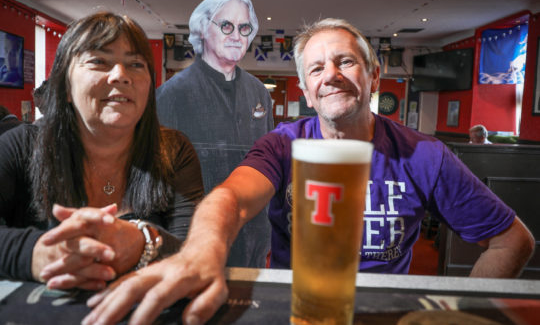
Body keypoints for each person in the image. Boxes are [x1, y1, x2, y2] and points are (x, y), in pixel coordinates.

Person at [83, 18, 535, 325]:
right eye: (316, 68)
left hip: (381, 311)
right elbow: (231, 200)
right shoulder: (282, 144)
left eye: (345, 61)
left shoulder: (424, 154)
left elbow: (513, 238)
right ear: (306, 90)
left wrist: (462, 308)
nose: (331, 75)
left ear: (374, 76)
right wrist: (200, 250)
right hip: (297, 309)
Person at [0, 12, 203, 292]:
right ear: (66, 86)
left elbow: (195, 253)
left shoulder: (173, 150)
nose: (121, 75)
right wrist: (35, 254)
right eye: (99, 61)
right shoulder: (24, 145)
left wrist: (144, 241)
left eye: (136, 64)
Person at [156, 0, 273, 268]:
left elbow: (270, 164)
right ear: (202, 29)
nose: (236, 35)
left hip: (254, 238)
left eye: (245, 28)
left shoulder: (259, 93)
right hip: (194, 241)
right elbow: (157, 181)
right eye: (226, 25)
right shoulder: (172, 94)